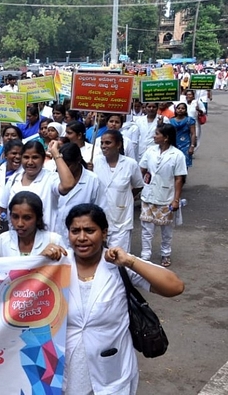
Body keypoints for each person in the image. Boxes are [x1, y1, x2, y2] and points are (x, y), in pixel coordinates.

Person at [54, 203, 184, 394]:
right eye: (75, 231)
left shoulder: (118, 264)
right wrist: (40, 262)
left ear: (104, 233)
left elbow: (175, 286)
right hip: (68, 372)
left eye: (89, 230)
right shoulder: (57, 266)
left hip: (113, 370)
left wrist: (130, 261)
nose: (82, 238)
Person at [0, 140, 77, 236]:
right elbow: (1, 210)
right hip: (16, 241)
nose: (30, 162)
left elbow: (68, 184)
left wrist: (55, 153)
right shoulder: (14, 179)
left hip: (45, 241)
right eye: (26, 157)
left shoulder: (51, 178)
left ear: (43, 159)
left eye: (35, 157)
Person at [139, 124, 187, 267]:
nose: (154, 136)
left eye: (157, 134)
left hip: (167, 197)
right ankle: (145, 255)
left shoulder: (177, 155)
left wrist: (176, 199)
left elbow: (179, 178)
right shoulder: (150, 151)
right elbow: (142, 168)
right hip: (149, 195)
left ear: (166, 138)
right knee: (146, 229)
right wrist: (147, 181)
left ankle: (165, 254)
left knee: (166, 230)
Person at [92, 130, 144, 252]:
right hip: (100, 217)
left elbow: (138, 185)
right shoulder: (95, 162)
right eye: (102, 143)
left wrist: (125, 198)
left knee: (119, 258)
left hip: (122, 218)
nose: (104, 146)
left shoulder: (130, 164)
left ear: (119, 145)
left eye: (108, 143)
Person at [54, 143, 106, 240]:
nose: (64, 169)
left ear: (78, 160)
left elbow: (101, 209)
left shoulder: (93, 180)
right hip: (56, 235)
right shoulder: (53, 177)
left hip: (82, 236)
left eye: (68, 165)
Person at [0, 191, 65, 257]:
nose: (20, 224)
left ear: (38, 218)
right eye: (15, 217)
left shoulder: (54, 240)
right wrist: (40, 258)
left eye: (27, 218)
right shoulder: (1, 241)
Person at [170, 102, 196, 168]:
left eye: (183, 108)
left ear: (186, 110)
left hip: (185, 145)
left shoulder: (190, 120)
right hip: (173, 145)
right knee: (173, 164)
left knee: (184, 165)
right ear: (176, 110)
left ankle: (183, 178)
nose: (180, 110)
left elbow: (193, 134)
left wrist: (192, 146)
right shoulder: (170, 121)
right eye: (178, 108)